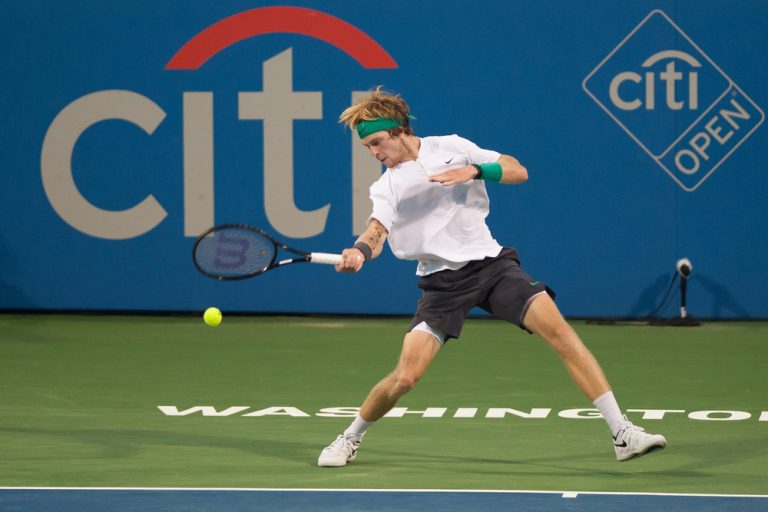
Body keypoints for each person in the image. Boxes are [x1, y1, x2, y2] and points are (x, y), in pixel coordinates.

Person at [317, 87, 666, 467]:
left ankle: (622, 433)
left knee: (562, 333)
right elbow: (376, 229)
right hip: (441, 283)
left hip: (492, 266)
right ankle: (350, 436)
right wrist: (360, 251)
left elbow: (518, 170)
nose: (374, 152)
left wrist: (476, 169)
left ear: (400, 129)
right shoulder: (387, 185)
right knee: (406, 378)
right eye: (367, 146)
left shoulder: (451, 145)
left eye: (378, 142)